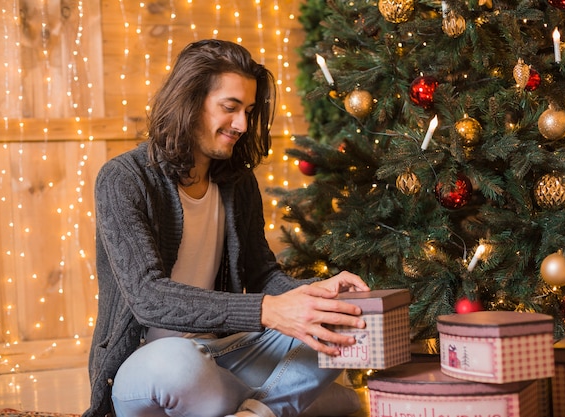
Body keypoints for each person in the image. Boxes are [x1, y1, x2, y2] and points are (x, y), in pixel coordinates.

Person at [83, 39, 370, 417]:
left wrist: (315, 296)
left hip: (226, 352)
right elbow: (149, 297)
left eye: (249, 111)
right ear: (189, 103)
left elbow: (263, 274)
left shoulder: (238, 183)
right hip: (153, 365)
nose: (242, 125)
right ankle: (278, 400)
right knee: (183, 368)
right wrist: (268, 311)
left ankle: (252, 411)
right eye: (230, 108)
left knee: (347, 323)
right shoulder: (123, 179)